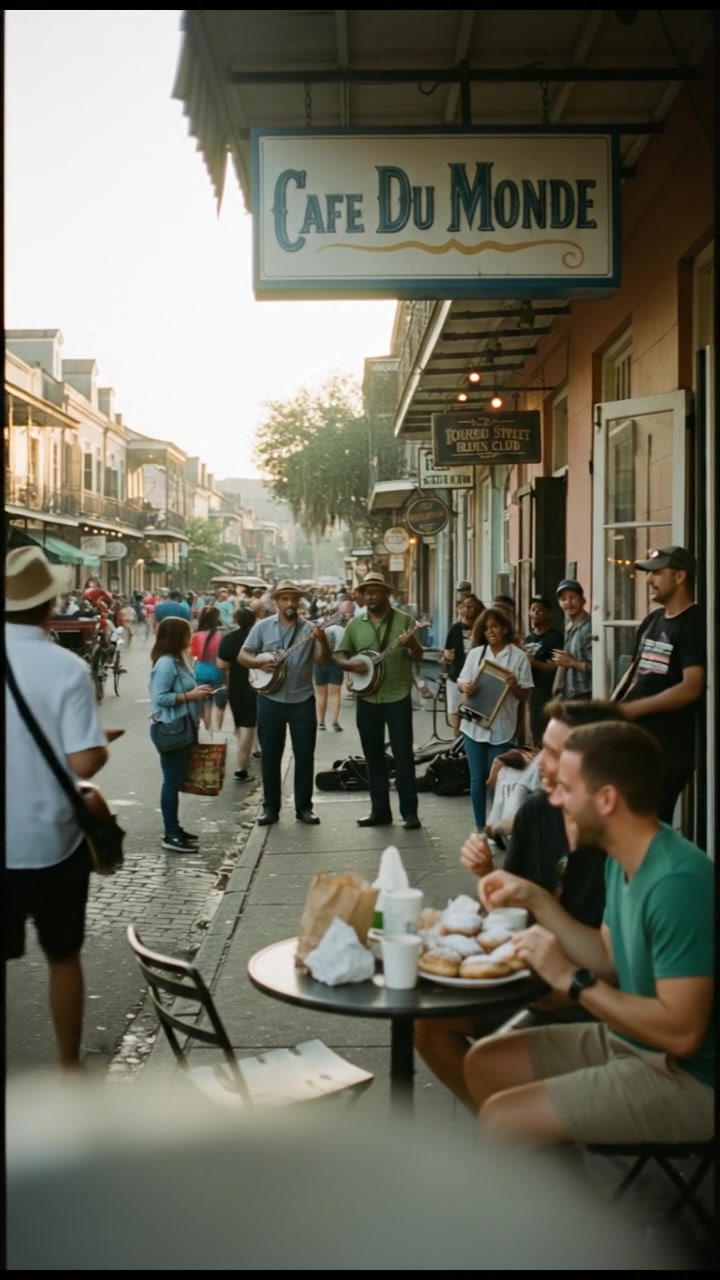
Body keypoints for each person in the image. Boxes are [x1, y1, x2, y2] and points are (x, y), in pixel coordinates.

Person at [463, 720, 714, 1147]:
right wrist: (536, 899)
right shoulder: (623, 856)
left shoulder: (677, 883)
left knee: (503, 1119)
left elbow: (682, 1034)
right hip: (630, 1040)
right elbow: (607, 957)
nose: (555, 799)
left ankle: (558, 1185)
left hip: (687, 1077)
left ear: (607, 799)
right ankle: (559, 1178)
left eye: (566, 789)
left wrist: (572, 980)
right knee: (484, 1063)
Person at [415, 699, 616, 1107]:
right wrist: (489, 876)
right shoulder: (536, 813)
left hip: (590, 995)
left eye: (557, 755)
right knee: (427, 1022)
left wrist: (566, 984)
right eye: (542, 750)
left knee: (489, 1062)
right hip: (531, 978)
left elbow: (619, 967)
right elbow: (513, 914)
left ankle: (518, 1126)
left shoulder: (623, 841)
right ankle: (501, 1126)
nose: (541, 764)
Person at [5, 547, 109, 1069]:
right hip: (53, 842)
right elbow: (83, 762)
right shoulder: (67, 667)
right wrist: (100, 742)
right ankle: (69, 1068)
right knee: (63, 956)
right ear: (50, 604)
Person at [327, 571, 425, 830]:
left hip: (397, 695)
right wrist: (350, 666)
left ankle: (410, 813)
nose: (370, 597)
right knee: (373, 756)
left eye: (375, 592)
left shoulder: (405, 620)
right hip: (368, 697)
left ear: (386, 594)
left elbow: (417, 656)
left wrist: (413, 644)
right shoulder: (355, 624)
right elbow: (338, 655)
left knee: (403, 756)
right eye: (366, 592)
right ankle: (379, 811)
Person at [619, 546, 705, 825]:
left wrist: (636, 709)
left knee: (650, 825)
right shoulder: (652, 621)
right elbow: (635, 677)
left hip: (669, 750)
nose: (648, 580)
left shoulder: (695, 623)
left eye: (656, 573)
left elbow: (692, 686)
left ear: (680, 577)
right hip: (637, 744)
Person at [238, 580, 327, 826]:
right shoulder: (262, 627)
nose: (290, 603)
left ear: (299, 602)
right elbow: (243, 655)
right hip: (270, 700)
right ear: (276, 601)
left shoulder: (311, 629)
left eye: (294, 599)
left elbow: (322, 661)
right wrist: (258, 663)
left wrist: (322, 640)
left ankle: (304, 808)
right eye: (285, 599)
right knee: (270, 756)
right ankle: (270, 808)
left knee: (305, 756)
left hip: (302, 700)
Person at [456, 607, 533, 833]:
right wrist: (465, 686)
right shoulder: (476, 654)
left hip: (502, 727)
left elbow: (525, 695)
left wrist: (514, 686)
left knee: (498, 780)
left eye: (495, 627)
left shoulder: (518, 657)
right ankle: (481, 827)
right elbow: (461, 681)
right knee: (477, 778)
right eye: (486, 628)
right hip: (473, 725)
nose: (490, 632)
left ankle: (497, 826)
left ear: (505, 629)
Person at [149, 617, 214, 852]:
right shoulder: (166, 664)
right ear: (177, 636)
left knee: (175, 780)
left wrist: (197, 694)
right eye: (188, 632)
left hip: (183, 726)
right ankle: (171, 833)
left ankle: (174, 827)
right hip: (172, 728)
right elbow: (159, 697)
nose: (191, 636)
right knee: (171, 781)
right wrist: (191, 696)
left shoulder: (178, 660)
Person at [216, 606, 258, 782]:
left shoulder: (229, 638)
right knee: (249, 724)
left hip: (237, 685)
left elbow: (222, 665)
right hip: (258, 684)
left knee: (241, 724)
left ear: (235, 620)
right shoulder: (259, 636)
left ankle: (244, 760)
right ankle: (242, 767)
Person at [524, 596, 564, 744]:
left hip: (550, 690)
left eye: (540, 610)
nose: (535, 613)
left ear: (548, 614)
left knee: (550, 730)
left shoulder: (555, 637)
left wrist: (533, 663)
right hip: (533, 691)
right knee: (536, 731)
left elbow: (556, 666)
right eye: (533, 609)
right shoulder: (528, 639)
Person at [442, 593, 484, 732]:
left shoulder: (483, 628)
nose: (466, 609)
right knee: (456, 713)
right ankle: (457, 740)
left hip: (477, 678)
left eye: (470, 606)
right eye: (463, 606)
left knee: (475, 715)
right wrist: (447, 656)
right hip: (456, 676)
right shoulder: (455, 628)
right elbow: (447, 651)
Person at [552, 578, 592, 700]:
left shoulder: (590, 627)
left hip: (585, 695)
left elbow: (599, 667)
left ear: (583, 600)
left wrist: (571, 663)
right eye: (563, 599)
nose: (568, 602)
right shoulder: (570, 627)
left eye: (572, 597)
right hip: (570, 695)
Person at [190, 605, 226, 730]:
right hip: (217, 670)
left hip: (201, 670)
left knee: (205, 700)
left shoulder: (196, 636)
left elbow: (193, 654)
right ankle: (217, 730)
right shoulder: (220, 636)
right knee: (219, 703)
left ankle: (207, 727)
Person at [313, 613, 346, 732]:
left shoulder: (322, 630)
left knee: (321, 695)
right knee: (335, 694)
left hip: (320, 663)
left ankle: (321, 722)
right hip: (337, 662)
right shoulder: (343, 631)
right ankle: (334, 722)